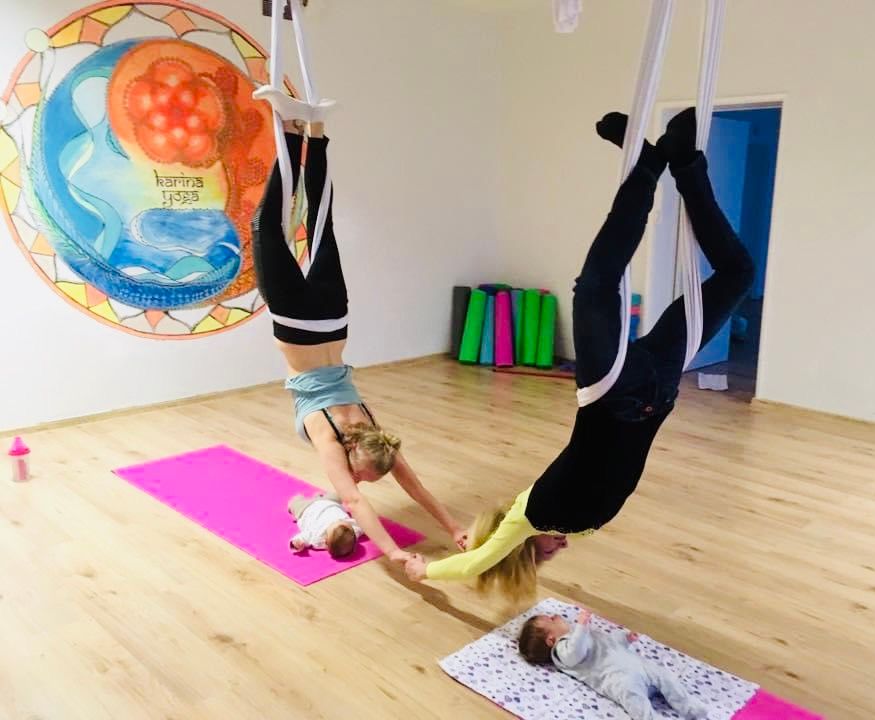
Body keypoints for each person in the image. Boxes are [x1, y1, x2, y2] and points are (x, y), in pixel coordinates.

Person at [404, 108, 754, 596]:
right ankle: (685, 166)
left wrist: (428, 571)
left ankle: (649, 169)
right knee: (738, 275)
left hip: (614, 390)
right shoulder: (578, 526)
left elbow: (476, 565)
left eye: (546, 555)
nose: (560, 550)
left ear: (525, 547)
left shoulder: (531, 515)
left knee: (595, 287)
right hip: (661, 383)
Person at [252, 88, 467, 565]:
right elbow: (351, 502)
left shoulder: (375, 434)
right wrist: (393, 554)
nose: (364, 480)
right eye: (364, 473)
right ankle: (291, 129)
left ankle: (317, 130)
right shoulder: (331, 436)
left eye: (368, 476)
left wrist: (454, 527)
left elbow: (411, 483)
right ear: (353, 449)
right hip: (296, 320)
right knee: (269, 228)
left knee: (323, 225)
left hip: (334, 317)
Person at [519, 608, 708, 720]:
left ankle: (690, 707)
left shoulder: (581, 636)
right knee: (635, 702)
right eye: (551, 619)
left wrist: (624, 638)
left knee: (666, 677)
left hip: (638, 665)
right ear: (551, 640)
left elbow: (607, 644)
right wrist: (581, 626)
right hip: (619, 679)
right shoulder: (562, 650)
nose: (556, 615)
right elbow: (576, 652)